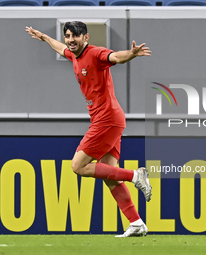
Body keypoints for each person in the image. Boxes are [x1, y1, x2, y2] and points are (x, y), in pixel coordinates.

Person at [25, 21, 152, 237]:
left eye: (75, 36)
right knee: (110, 175)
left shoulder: (95, 54)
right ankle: (137, 223)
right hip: (109, 119)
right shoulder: (74, 54)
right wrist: (45, 38)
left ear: (86, 37)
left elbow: (116, 57)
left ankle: (135, 175)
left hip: (106, 119)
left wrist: (131, 54)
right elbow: (60, 48)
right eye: (67, 36)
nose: (70, 40)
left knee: (78, 166)